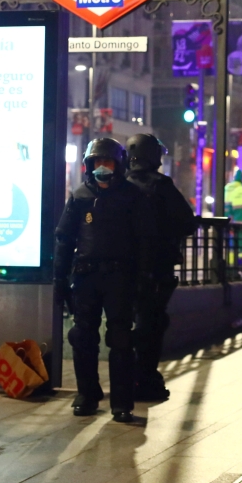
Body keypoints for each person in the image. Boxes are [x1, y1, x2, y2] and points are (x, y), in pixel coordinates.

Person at [54, 138, 155, 423]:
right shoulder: (80, 196)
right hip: (86, 276)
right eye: (97, 162)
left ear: (118, 165)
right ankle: (87, 394)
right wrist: (59, 279)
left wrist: (144, 279)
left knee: (121, 340)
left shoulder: (132, 197)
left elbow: (145, 242)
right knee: (82, 337)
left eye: (107, 162)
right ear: (88, 165)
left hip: (120, 278)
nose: (102, 167)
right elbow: (64, 240)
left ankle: (122, 402)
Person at [125, 134, 197, 402]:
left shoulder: (121, 185)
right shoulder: (161, 185)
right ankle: (145, 379)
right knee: (152, 324)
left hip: (124, 270)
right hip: (156, 269)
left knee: (125, 326)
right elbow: (187, 222)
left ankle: (125, 378)